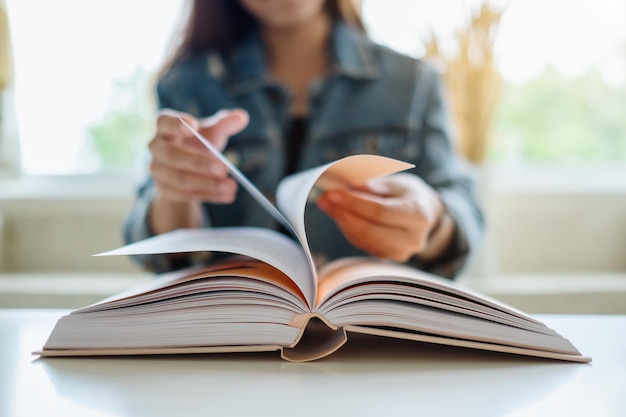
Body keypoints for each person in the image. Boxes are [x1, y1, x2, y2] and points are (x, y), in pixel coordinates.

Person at [123, 0, 484, 279]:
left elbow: (463, 213)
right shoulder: (187, 85)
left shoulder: (411, 82)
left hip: (373, 341)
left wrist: (433, 218)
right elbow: (155, 252)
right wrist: (174, 192)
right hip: (229, 342)